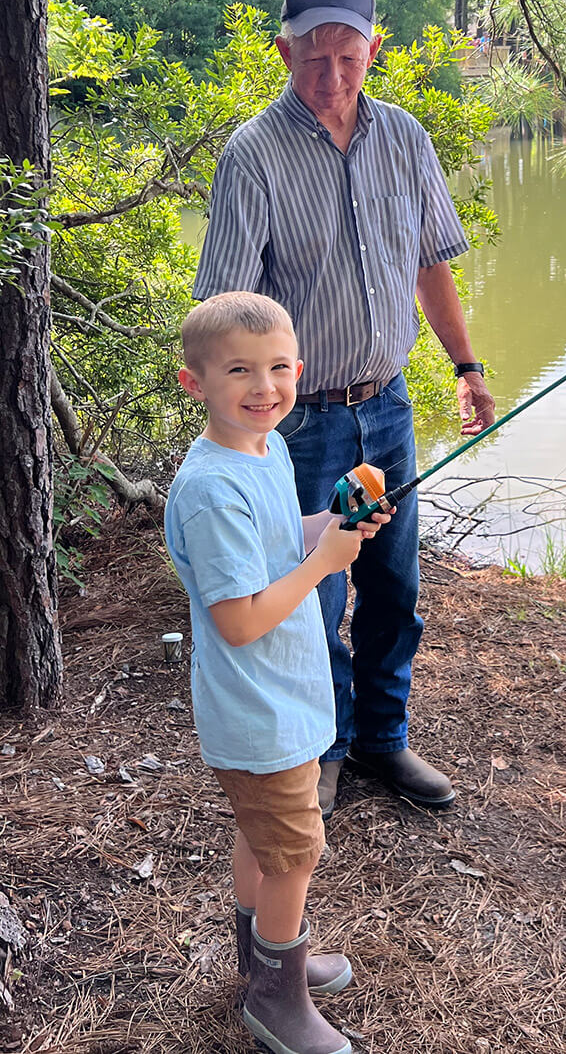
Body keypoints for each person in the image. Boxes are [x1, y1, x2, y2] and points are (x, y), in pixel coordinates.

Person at [193, 0, 496, 820]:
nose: (331, 78)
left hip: (387, 407)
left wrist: (467, 369)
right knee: (312, 595)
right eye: (314, 58)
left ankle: (381, 742)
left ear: (374, 50)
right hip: (302, 423)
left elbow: (430, 264)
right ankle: (319, 748)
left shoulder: (405, 138)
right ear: (284, 52)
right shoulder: (252, 155)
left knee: (394, 584)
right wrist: (240, 423)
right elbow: (227, 310)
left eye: (350, 59)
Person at [165, 291, 391, 1054]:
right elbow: (240, 619)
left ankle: (261, 957)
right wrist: (325, 564)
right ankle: (277, 998)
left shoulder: (266, 448)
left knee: (264, 842)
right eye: (239, 371)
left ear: (298, 369)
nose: (264, 389)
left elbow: (276, 543)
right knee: (296, 852)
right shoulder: (209, 488)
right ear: (196, 383)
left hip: (284, 695)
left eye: (277, 369)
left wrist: (331, 523)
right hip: (256, 707)